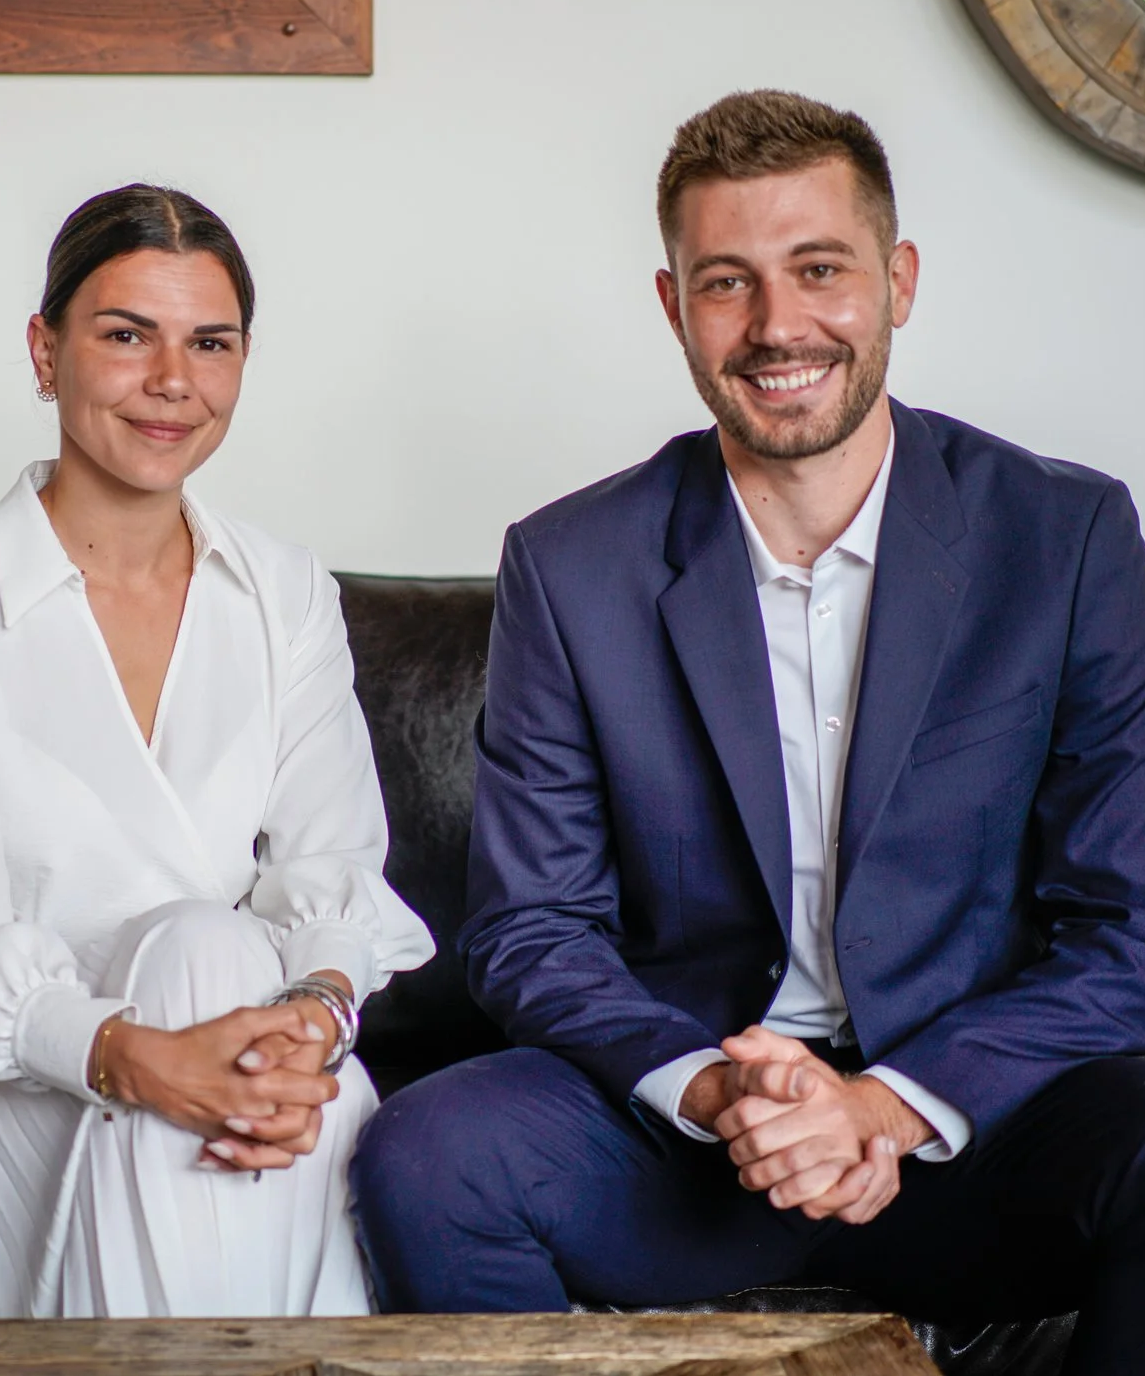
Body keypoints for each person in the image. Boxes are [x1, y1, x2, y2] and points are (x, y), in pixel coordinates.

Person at [350, 91, 1145, 1374]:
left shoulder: (1064, 538)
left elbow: (1129, 920)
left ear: (896, 281)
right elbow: (528, 926)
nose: (779, 326)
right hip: (693, 1134)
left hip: (973, 1126)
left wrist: (884, 1104)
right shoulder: (570, 564)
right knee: (428, 1152)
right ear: (673, 307)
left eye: (819, 269)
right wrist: (720, 1090)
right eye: (727, 282)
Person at [0, 184, 434, 1319]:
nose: (173, 381)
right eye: (125, 335)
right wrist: (149, 1062)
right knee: (208, 993)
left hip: (241, 1033)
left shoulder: (285, 594)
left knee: (212, 953)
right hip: (16, 1077)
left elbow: (332, 869)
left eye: (210, 343)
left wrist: (311, 1020)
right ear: (44, 352)